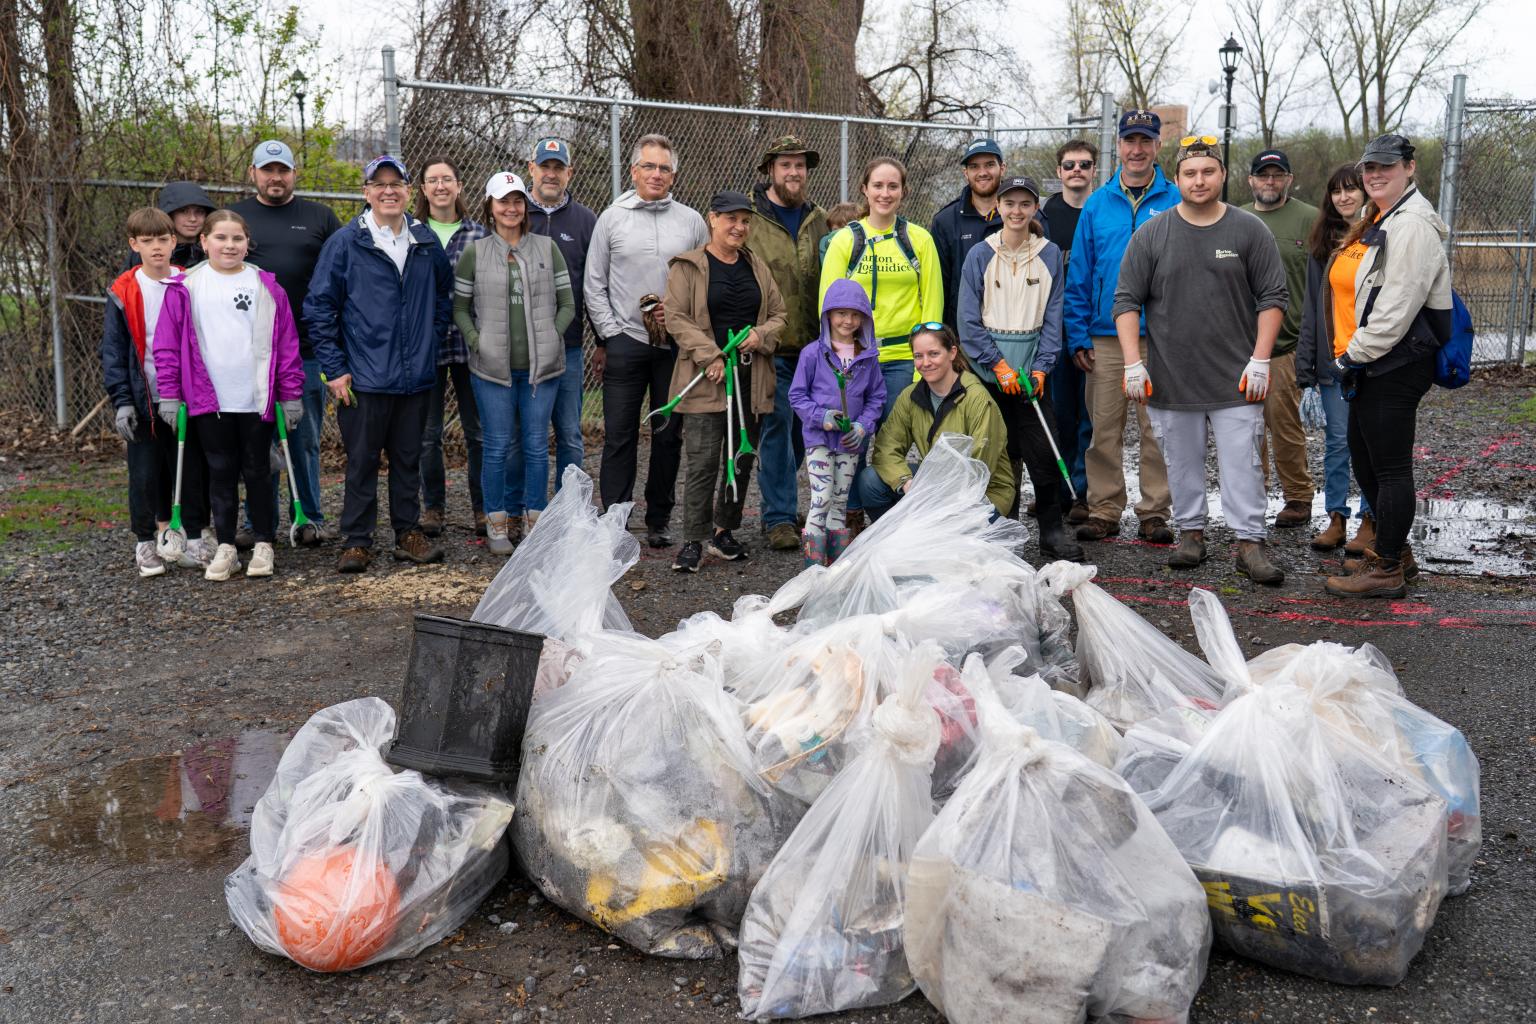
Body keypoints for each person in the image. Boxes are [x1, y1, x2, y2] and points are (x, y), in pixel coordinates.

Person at [1111, 135, 1290, 585]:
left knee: (1242, 463)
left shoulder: (1249, 230)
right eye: (1190, 173)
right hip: (1172, 377)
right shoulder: (1153, 232)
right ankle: (1191, 534)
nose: (1199, 179)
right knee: (1181, 462)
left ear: (1223, 176)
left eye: (1208, 171)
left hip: (1236, 378)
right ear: (1176, 179)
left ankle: (1249, 542)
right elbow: (1126, 301)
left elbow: (1273, 296)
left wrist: (1261, 360)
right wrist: (1134, 362)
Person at [306, 155, 452, 574]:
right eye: (379, 183)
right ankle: (357, 540)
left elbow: (443, 298)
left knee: (409, 459)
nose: (389, 190)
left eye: (397, 183)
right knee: (362, 461)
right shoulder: (347, 242)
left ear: (409, 191)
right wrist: (334, 368)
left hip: (415, 377)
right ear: (366, 192)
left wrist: (429, 340)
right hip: (364, 378)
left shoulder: (424, 241)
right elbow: (319, 307)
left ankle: (407, 533)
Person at [1322, 134, 1452, 599]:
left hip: (1395, 361)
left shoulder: (1412, 224)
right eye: (1369, 168)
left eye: (1386, 167)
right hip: (1372, 360)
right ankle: (1398, 550)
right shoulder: (1382, 217)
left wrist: (1351, 355)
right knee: (1366, 459)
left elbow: (1396, 308)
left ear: (1409, 168)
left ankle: (1388, 566)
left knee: (1390, 467)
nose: (1375, 175)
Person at [152, 210, 304, 581]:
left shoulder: (267, 286)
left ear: (247, 243)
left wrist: (291, 393)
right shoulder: (185, 287)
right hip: (209, 399)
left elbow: (286, 345)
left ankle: (265, 543)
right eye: (220, 238)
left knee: (257, 470)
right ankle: (226, 546)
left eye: (237, 238)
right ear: (204, 241)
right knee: (219, 472)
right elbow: (168, 347)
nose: (229, 245)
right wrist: (169, 395)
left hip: (256, 398)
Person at [585, 133, 708, 547]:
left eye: (664, 168)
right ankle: (615, 520)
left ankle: (659, 520)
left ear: (674, 174)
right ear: (634, 170)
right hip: (627, 341)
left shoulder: (690, 221)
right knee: (620, 434)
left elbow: (702, 280)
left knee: (668, 433)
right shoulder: (612, 219)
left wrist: (681, 319)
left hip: (674, 348)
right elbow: (594, 283)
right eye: (649, 167)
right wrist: (611, 333)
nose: (656, 174)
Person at [1063, 110, 1178, 545]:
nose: (1137, 149)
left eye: (1145, 141)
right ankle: (1105, 508)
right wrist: (1078, 334)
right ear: (1119, 146)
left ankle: (1154, 512)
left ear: (1156, 146)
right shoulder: (1098, 203)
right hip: (1105, 335)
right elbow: (1081, 276)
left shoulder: (1174, 199)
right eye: (1130, 141)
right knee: (1103, 429)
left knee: (1157, 431)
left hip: (1160, 337)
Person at [958, 175, 1085, 563]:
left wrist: (1042, 368)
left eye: (1025, 204)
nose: (1016, 211)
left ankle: (1050, 530)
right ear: (999, 207)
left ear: (1034, 209)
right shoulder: (980, 253)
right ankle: (1002, 526)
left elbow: (1052, 317)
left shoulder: (1048, 255)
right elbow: (967, 319)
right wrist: (997, 365)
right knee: (999, 453)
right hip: (991, 374)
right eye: (1009, 203)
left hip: (1031, 374)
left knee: (1043, 452)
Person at [661, 191, 786, 573]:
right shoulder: (689, 266)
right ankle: (693, 541)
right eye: (731, 219)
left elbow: (779, 315)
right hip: (706, 375)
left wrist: (760, 336)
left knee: (741, 456)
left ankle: (723, 532)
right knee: (702, 460)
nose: (739, 227)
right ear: (711, 219)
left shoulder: (757, 266)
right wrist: (710, 353)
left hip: (750, 373)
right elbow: (675, 316)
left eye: (745, 221)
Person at [453, 172, 575, 555]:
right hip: (492, 371)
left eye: (518, 200)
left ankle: (535, 521)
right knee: (498, 447)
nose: (511, 208)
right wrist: (477, 341)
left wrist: (553, 335)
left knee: (538, 446)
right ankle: (497, 523)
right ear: (490, 206)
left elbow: (568, 303)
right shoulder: (476, 251)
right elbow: (459, 308)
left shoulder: (546, 247)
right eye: (503, 201)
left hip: (542, 369)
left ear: (526, 206)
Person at [819, 157, 944, 531]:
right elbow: (827, 303)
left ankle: (894, 518)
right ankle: (849, 514)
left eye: (893, 186)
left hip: (904, 357)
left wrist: (927, 362)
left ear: (903, 191)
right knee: (852, 437)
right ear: (865, 189)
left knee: (893, 438)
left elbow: (932, 303)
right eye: (878, 186)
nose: (885, 193)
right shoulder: (846, 239)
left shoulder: (919, 239)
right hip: (856, 359)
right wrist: (835, 357)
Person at [230, 139, 344, 547]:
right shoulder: (234, 219)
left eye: (282, 170)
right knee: (255, 441)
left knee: (303, 439)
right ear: (253, 173)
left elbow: (339, 280)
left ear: (294, 174)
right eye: (267, 170)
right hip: (249, 353)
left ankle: (308, 517)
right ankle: (257, 522)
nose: (275, 177)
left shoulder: (319, 217)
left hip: (307, 350)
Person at [101, 207, 210, 576]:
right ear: (135, 244)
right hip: (142, 397)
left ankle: (194, 538)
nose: (157, 248)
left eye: (163, 240)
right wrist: (121, 402)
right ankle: (146, 542)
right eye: (147, 241)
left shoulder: (191, 282)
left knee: (190, 469)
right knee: (145, 473)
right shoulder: (122, 290)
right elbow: (114, 351)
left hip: (185, 398)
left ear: (174, 241)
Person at [749, 135, 831, 551]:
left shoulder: (820, 220)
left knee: (804, 431)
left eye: (800, 165)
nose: (794, 172)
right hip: (771, 347)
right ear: (770, 170)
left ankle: (780, 497)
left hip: (815, 348)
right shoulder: (752, 217)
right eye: (786, 165)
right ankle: (778, 517)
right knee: (778, 428)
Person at [858, 324, 1013, 520]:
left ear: (952, 353)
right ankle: (900, 540)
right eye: (918, 356)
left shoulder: (977, 398)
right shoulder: (910, 396)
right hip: (936, 482)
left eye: (933, 354)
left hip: (981, 493)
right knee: (870, 481)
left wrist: (934, 498)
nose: (925, 362)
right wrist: (906, 482)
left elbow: (979, 466)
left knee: (951, 540)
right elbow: (886, 449)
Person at [1297, 164, 1372, 554]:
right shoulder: (1324, 244)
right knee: (1338, 443)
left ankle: (1370, 521)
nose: (1344, 197)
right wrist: (1306, 367)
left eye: (1351, 189)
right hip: (1333, 363)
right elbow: (1312, 308)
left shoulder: (1381, 236)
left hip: (1373, 360)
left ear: (1365, 193)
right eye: (1337, 191)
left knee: (1371, 443)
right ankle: (1337, 518)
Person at [1242, 149, 1319, 529]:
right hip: (1239, 343)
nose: (1270, 182)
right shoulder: (1235, 218)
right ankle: (1254, 492)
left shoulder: (1309, 219)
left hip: (1286, 344)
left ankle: (1298, 496)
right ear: (1251, 180)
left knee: (1284, 424)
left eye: (1277, 175)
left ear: (1289, 179)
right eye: (1263, 175)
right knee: (1245, 426)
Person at [413, 156, 488, 539]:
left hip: (471, 344)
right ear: (423, 190)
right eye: (432, 181)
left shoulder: (479, 235)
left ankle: (482, 507)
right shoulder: (410, 233)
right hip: (425, 346)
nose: (440, 186)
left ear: (459, 186)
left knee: (477, 431)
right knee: (428, 433)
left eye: (447, 179)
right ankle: (433, 508)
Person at [789, 279, 885, 566]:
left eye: (856, 314)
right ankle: (813, 569)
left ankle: (837, 567)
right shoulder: (812, 354)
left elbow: (876, 397)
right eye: (841, 313)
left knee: (840, 502)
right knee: (821, 498)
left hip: (849, 444)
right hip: (819, 440)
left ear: (864, 318)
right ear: (828, 315)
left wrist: (863, 426)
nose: (848, 320)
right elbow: (796, 395)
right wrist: (821, 417)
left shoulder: (867, 357)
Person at [525, 137, 598, 492]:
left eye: (558, 168)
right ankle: (529, 509)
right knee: (526, 434)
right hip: (520, 348)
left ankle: (568, 509)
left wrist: (602, 341)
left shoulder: (586, 220)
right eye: (545, 167)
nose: (550, 174)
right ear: (531, 169)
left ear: (570, 173)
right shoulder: (513, 212)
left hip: (568, 347)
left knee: (569, 433)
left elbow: (595, 285)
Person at [1043, 140, 1097, 522]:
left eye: (1084, 164)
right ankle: (1057, 491)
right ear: (1059, 171)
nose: (1076, 170)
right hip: (1052, 329)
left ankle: (1084, 492)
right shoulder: (1046, 215)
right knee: (1057, 414)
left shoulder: (1099, 212)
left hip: (1094, 326)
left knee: (1089, 416)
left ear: (1094, 169)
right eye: (1069, 164)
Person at [930, 138, 1006, 327]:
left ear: (1002, 168)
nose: (982, 172)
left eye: (989, 165)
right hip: (962, 334)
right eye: (974, 166)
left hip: (1013, 331)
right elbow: (940, 287)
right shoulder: (945, 221)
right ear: (966, 173)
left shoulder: (1021, 216)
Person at [124, 181, 216, 270]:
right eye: (183, 211)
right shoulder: (145, 250)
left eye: (199, 212)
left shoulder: (214, 250)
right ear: (170, 214)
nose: (193, 219)